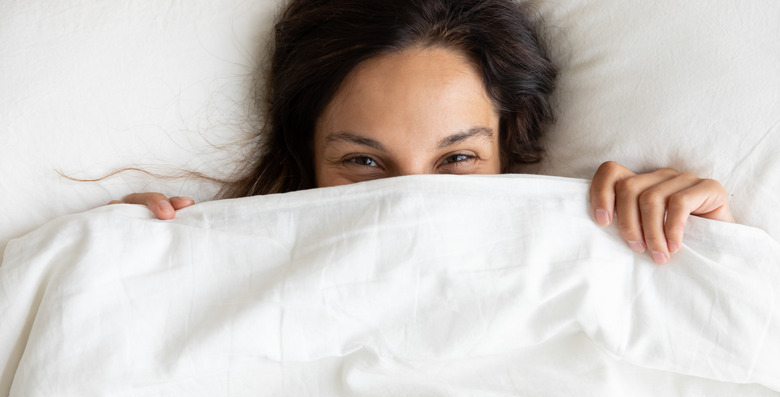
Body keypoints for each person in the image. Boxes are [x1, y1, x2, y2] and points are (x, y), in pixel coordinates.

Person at [111, 0, 733, 265]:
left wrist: (705, 254)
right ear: (308, 155)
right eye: (364, 162)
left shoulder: (589, 247)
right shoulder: (228, 259)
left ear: (507, 145)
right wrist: (126, 262)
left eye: (457, 157)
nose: (412, 201)